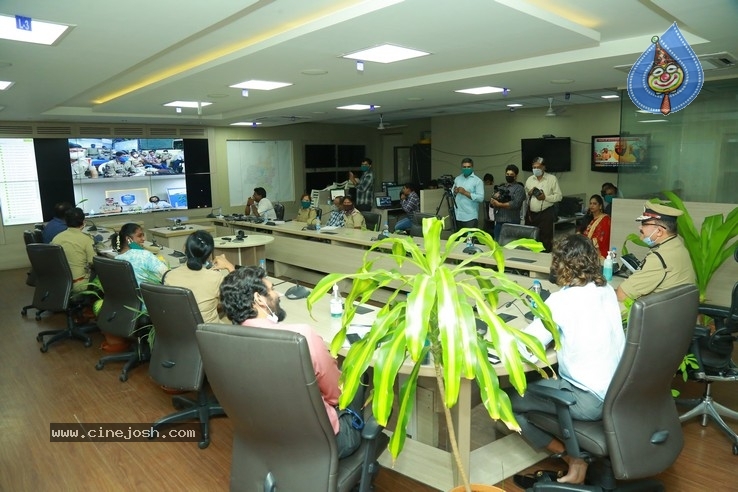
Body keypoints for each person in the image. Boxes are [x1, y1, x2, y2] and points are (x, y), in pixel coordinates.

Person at [509, 234, 625, 485]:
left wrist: (505, 335)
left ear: (561, 264)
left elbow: (526, 347)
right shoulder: (605, 289)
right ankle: (574, 456)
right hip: (620, 391)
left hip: (588, 399)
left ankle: (574, 460)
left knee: (507, 401)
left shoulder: (561, 300)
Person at [219, 266, 362, 459]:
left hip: (265, 436)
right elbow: (336, 395)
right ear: (259, 299)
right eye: (271, 289)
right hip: (323, 442)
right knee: (358, 376)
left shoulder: (223, 340)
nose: (277, 294)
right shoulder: (301, 336)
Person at [616, 202, 696, 303]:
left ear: (659, 231)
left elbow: (622, 295)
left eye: (644, 224)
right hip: (674, 313)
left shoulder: (659, 258)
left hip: (655, 316)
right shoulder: (677, 245)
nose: (640, 228)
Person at [163, 230, 235, 324]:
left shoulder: (169, 276)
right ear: (209, 255)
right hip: (207, 333)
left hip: (179, 332)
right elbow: (239, 299)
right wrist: (230, 266)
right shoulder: (216, 278)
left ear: (184, 248)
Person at [51, 207, 96, 294]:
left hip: (61, 283)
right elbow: (93, 263)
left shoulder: (56, 238)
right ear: (83, 222)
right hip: (80, 284)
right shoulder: (87, 239)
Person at [524, 157, 562, 252]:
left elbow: (559, 196)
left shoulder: (552, 179)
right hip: (531, 215)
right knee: (530, 240)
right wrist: (529, 193)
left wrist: (545, 197)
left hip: (545, 214)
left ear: (544, 167)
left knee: (546, 240)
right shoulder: (529, 179)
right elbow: (524, 195)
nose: (536, 169)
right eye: (534, 167)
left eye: (538, 167)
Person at [490, 164, 526, 241]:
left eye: (511, 175)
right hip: (499, 221)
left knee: (510, 245)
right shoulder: (501, 187)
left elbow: (515, 204)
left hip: (512, 222)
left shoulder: (519, 188)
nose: (509, 176)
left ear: (516, 176)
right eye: (507, 174)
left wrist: (499, 204)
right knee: (497, 243)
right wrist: (493, 200)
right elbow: (492, 202)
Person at [452, 157, 484, 230]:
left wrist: (465, 192)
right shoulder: (457, 179)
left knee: (469, 239)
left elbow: (480, 198)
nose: (466, 169)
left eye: (468, 167)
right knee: (458, 240)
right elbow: (452, 193)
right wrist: (455, 191)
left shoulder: (477, 181)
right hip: (457, 215)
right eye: (464, 167)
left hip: (470, 216)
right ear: (461, 167)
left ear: (472, 167)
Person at [582, 194, 611, 259]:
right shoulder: (589, 218)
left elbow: (602, 238)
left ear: (600, 206)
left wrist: (588, 242)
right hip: (587, 248)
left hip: (598, 252)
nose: (592, 206)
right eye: (590, 203)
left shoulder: (605, 219)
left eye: (594, 204)